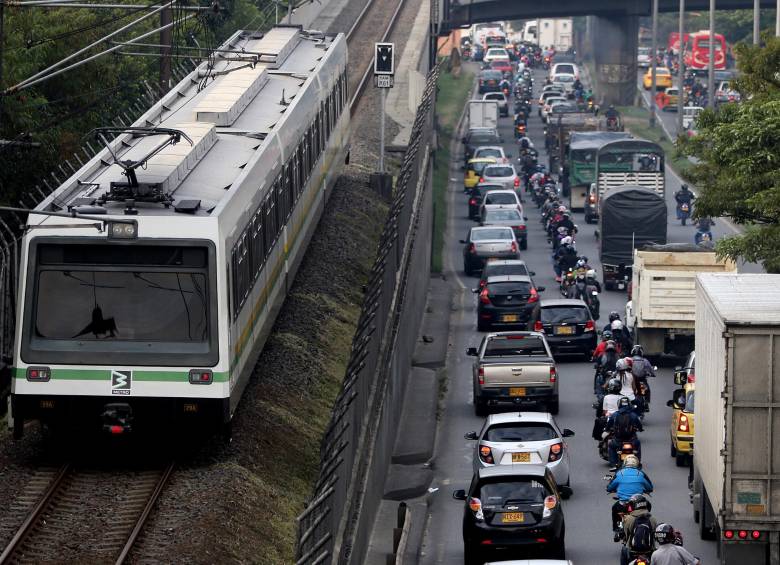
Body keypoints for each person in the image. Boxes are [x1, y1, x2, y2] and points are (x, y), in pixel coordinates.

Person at [606, 459, 654, 539]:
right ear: (637, 465)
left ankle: (617, 529)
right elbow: (650, 487)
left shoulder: (619, 473)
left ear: (624, 464)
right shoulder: (641, 474)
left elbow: (609, 487)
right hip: (638, 504)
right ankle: (646, 522)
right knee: (648, 505)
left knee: (614, 508)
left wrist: (611, 489)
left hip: (623, 504)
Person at [605, 396, 643, 467]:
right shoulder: (633, 415)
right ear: (629, 404)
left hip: (618, 441)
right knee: (638, 444)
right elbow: (639, 425)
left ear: (619, 404)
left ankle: (613, 463)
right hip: (632, 440)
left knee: (611, 445)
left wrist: (607, 429)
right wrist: (641, 429)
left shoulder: (615, 414)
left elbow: (609, 424)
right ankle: (638, 462)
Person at [621, 494, 657, 564]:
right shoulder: (653, 519)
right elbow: (654, 534)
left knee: (624, 550)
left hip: (632, 552)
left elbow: (626, 534)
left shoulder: (628, 519)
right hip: (649, 551)